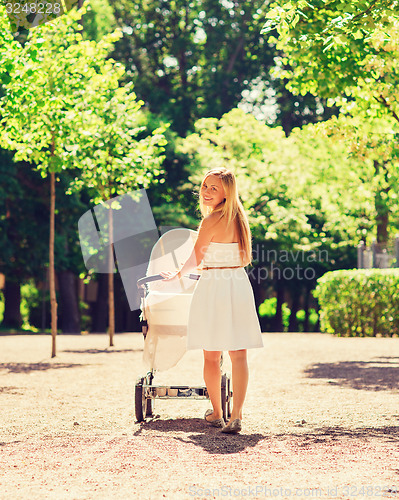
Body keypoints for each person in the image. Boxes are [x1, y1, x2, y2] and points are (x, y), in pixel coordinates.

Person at [160, 167, 263, 434]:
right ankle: (236, 415)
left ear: (227, 192)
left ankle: (218, 412)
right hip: (237, 284)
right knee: (239, 355)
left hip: (213, 286)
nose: (206, 192)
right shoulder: (241, 220)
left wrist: (176, 275)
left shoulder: (210, 222)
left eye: (213, 188)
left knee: (211, 356)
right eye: (205, 186)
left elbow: (195, 259)